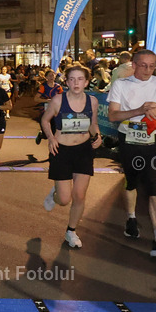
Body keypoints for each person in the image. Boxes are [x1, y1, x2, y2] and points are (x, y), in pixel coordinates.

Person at [107, 49, 156, 257]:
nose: (148, 70)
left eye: (152, 66)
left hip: (154, 140)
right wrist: (139, 110)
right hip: (128, 139)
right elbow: (113, 115)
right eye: (143, 65)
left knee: (155, 186)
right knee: (131, 182)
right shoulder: (121, 85)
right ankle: (131, 218)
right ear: (133, 64)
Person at [40, 65, 103, 248]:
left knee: (80, 195)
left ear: (86, 81)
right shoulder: (58, 100)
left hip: (83, 150)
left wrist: (97, 136)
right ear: (66, 82)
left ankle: (71, 231)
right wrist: (51, 138)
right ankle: (56, 194)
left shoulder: (92, 101)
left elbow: (93, 124)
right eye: (72, 79)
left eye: (80, 79)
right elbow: (45, 120)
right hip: (61, 150)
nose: (76, 83)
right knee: (65, 200)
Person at [34, 70, 64, 144]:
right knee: (46, 133)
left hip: (55, 111)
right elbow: (36, 99)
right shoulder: (43, 86)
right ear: (46, 77)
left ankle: (53, 151)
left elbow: (63, 97)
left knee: (53, 132)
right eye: (49, 75)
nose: (52, 77)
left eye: (53, 75)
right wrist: (47, 100)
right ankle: (41, 135)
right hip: (44, 110)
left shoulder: (58, 87)